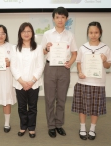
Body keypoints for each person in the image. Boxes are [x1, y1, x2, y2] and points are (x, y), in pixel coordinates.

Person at [71, 21, 111, 140]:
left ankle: (92, 129)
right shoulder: (83, 47)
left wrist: (105, 60)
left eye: (96, 32)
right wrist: (79, 72)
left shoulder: (105, 48)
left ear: (100, 33)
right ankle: (83, 128)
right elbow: (78, 62)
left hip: (98, 83)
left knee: (96, 108)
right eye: (91, 32)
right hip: (83, 82)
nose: (93, 35)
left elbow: (108, 66)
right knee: (82, 107)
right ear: (87, 33)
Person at [41, 7, 78, 138]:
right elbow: (42, 52)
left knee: (61, 99)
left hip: (64, 69)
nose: (60, 20)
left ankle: (59, 125)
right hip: (50, 68)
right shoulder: (47, 34)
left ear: (66, 19)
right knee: (50, 99)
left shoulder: (70, 35)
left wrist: (70, 63)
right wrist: (46, 48)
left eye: (63, 17)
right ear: (53, 19)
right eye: (57, 17)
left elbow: (74, 53)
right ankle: (51, 126)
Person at [10, 22, 44, 138]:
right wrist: (22, 82)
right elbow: (13, 66)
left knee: (33, 107)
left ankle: (32, 128)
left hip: (34, 83)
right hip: (20, 83)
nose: (26, 33)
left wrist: (32, 81)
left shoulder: (38, 48)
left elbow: (40, 66)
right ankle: (23, 126)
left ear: (32, 33)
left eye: (29, 31)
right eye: (24, 31)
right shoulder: (14, 48)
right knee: (22, 107)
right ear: (20, 33)